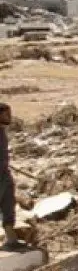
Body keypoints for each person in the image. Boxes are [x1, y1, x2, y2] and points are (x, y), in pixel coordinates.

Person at [0, 103, 20, 250]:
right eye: (6, 114)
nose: (9, 117)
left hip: (4, 175)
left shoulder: (2, 131)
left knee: (8, 205)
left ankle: (11, 239)